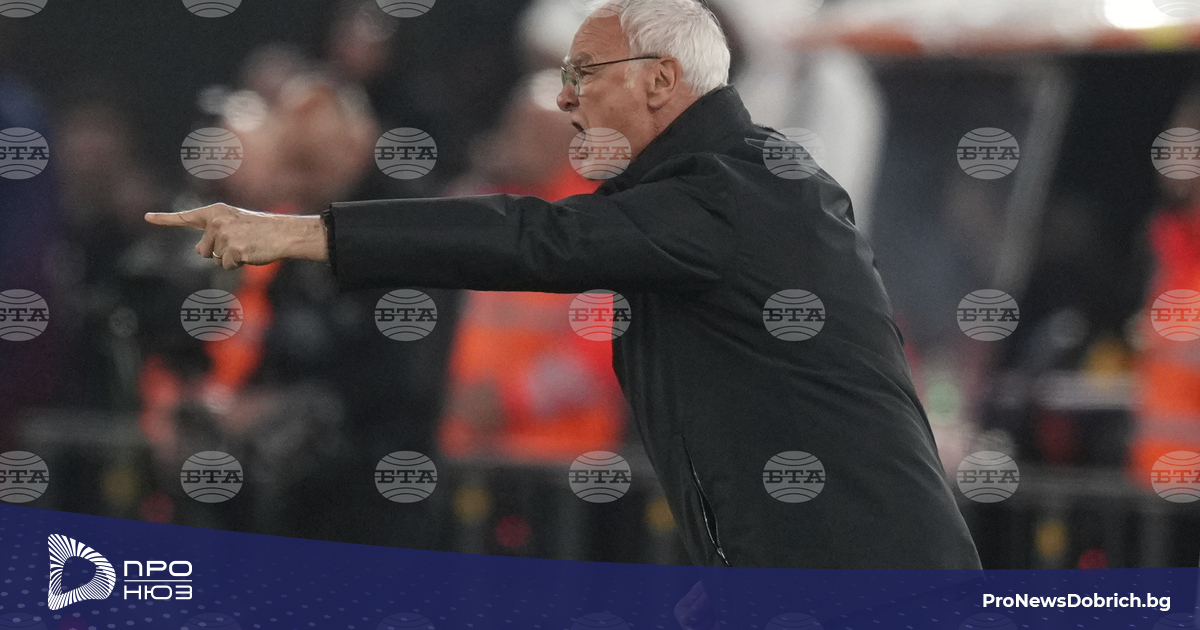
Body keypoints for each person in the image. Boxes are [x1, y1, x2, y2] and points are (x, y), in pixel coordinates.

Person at [146, 0, 981, 569]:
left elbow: (531, 239)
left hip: (855, 574)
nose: (566, 96)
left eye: (586, 72)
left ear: (661, 81)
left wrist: (302, 233)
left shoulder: (726, 193)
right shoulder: (731, 185)